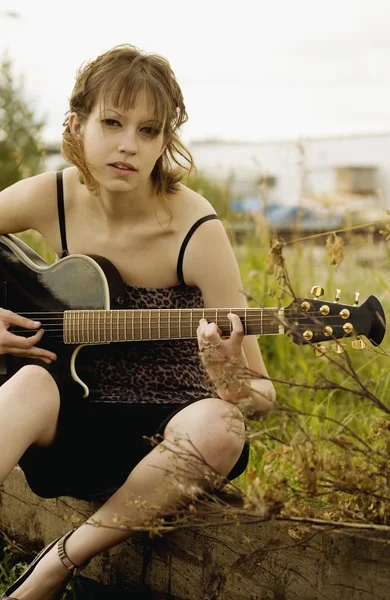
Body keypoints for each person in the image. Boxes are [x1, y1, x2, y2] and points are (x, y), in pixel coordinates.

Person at [0, 44, 275, 599]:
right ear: (77, 125)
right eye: (112, 122)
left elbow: (261, 392)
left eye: (149, 131)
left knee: (223, 424)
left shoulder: (196, 229)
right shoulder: (52, 196)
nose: (128, 144)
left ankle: (57, 564)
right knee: (26, 382)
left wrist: (227, 382)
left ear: (164, 141)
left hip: (173, 441)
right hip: (74, 427)